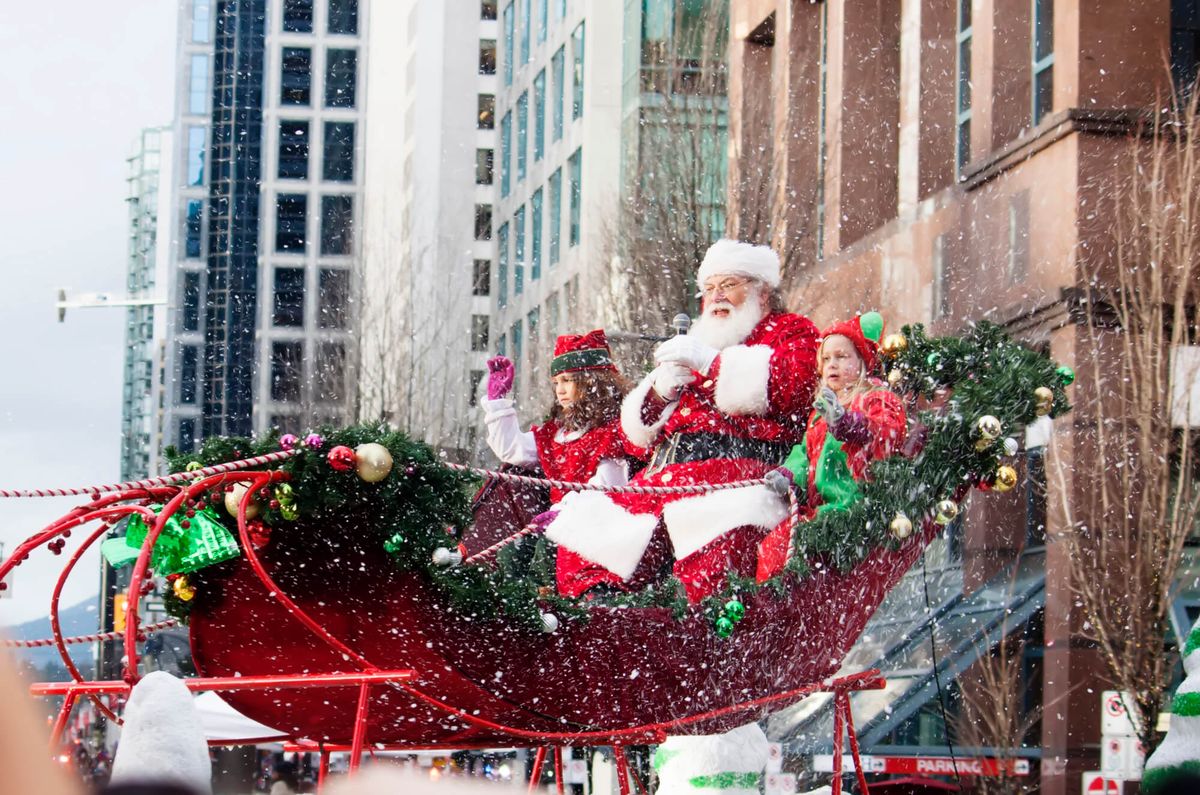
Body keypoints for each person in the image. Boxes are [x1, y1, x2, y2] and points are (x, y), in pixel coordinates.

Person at [543, 239, 822, 603]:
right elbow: (634, 440)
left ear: (762, 291)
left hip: (738, 471)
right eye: (709, 288)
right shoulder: (695, 340)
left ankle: (686, 626)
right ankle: (599, 611)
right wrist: (659, 394)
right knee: (589, 529)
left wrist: (712, 365)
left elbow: (793, 386)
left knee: (712, 539)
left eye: (728, 285)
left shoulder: (792, 331)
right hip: (665, 473)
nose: (716, 296)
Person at [756, 312, 908, 581]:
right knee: (774, 545)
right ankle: (772, 598)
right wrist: (788, 475)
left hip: (853, 505)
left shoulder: (875, 398)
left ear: (862, 362)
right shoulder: (819, 413)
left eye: (841, 357)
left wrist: (847, 422)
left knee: (787, 548)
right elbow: (804, 453)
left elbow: (887, 432)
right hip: (822, 508)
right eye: (826, 359)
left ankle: (778, 600)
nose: (832, 365)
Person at [483, 329, 636, 597]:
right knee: (511, 551)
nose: (561, 390)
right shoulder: (556, 434)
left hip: (595, 527)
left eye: (568, 380)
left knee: (546, 550)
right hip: (554, 525)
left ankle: (551, 607)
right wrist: (498, 403)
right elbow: (513, 450)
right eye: (556, 382)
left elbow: (608, 487)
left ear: (591, 382)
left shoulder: (610, 433)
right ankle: (516, 606)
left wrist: (563, 512)